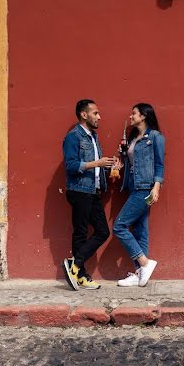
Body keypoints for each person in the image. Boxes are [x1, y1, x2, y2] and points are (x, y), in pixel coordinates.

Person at [61, 99, 117, 291]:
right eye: (95, 113)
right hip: (79, 190)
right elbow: (70, 166)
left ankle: (75, 266)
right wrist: (97, 163)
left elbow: (96, 166)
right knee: (81, 233)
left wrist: (110, 167)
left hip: (93, 190)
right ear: (84, 115)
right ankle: (81, 275)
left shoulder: (93, 137)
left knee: (103, 231)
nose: (99, 117)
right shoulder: (73, 136)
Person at [113, 103, 165, 287]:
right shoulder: (134, 138)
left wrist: (156, 187)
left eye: (134, 113)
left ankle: (144, 263)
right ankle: (139, 273)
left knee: (119, 227)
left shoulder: (155, 137)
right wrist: (121, 162)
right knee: (141, 230)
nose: (131, 116)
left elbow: (160, 164)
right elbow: (132, 163)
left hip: (145, 187)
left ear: (143, 116)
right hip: (133, 186)